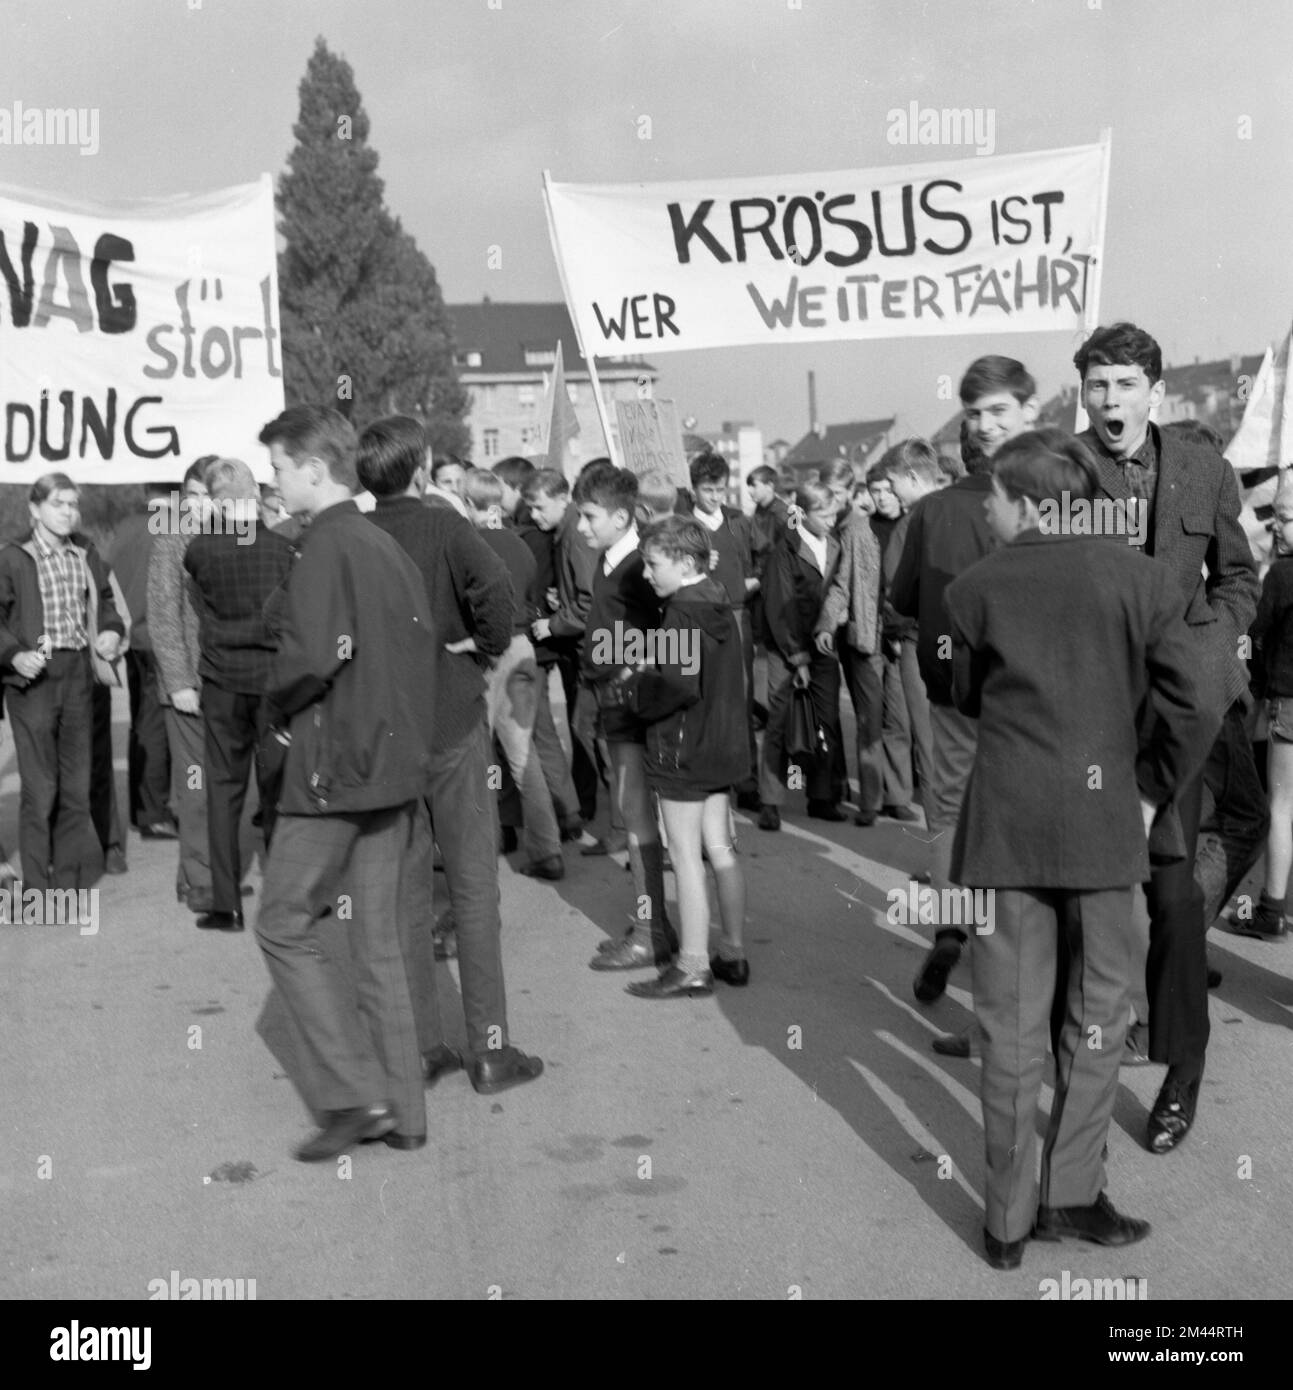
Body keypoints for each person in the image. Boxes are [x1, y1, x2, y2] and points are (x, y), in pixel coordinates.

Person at [947, 427, 1216, 1269]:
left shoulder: (971, 590)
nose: (985, 511)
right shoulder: (1143, 581)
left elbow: (955, 690)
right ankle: (1070, 1196)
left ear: (1027, 504)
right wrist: (1147, 787)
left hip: (1006, 833)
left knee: (1009, 1025)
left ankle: (1004, 1222)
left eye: (992, 496)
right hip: (1107, 831)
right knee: (1099, 1017)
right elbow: (1200, 696)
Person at [1075, 321, 1259, 1153]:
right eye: (1096, 386)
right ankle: (1081, 1053)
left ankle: (1182, 1066)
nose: (1108, 401)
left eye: (1123, 385)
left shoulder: (1202, 469)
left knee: (1176, 897)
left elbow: (1236, 577)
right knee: (1088, 893)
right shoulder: (1062, 470)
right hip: (1089, 714)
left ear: (1155, 393)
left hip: (1177, 716)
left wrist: (1209, 656)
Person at [252, 405, 442, 1160]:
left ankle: (354, 1096)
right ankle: (403, 1110)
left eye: (277, 468)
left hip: (335, 771)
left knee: (280, 921)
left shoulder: (326, 546)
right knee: (380, 944)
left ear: (312, 469)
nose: (273, 481)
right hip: (391, 767)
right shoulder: (382, 543)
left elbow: (308, 659)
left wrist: (271, 710)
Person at [360, 415, 543, 1096]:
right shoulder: (444, 525)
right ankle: (489, 1052)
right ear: (421, 467)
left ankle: (421, 1051)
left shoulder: (353, 533)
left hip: (384, 732)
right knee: (472, 888)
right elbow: (497, 591)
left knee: (405, 895)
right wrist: (485, 646)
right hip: (451, 720)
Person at [891, 356, 1037, 1005]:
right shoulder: (1046, 501)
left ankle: (954, 924)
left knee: (951, 807)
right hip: (1024, 689)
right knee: (1015, 817)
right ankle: (1007, 960)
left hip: (951, 683)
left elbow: (900, 597)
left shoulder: (929, 511)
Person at [607, 516, 751, 998]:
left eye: (653, 564)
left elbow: (675, 686)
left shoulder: (680, 614)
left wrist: (635, 689)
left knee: (686, 856)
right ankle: (731, 952)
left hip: (684, 750)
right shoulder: (718, 601)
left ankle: (692, 963)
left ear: (685, 562)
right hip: (722, 744)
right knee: (722, 850)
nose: (647, 574)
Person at [575, 462, 679, 971]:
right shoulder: (610, 559)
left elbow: (672, 632)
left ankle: (650, 932)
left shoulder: (642, 565)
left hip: (631, 702)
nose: (582, 526)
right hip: (613, 699)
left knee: (636, 813)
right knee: (633, 810)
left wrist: (626, 663)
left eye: (590, 516)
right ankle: (653, 920)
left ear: (620, 517)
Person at [0, 473, 125, 890]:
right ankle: (38, 887)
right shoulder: (13, 557)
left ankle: (68, 884)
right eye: (59, 504)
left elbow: (106, 601)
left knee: (77, 786)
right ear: (35, 510)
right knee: (41, 788)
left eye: (73, 504)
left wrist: (110, 629)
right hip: (33, 681)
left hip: (79, 676)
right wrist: (14, 654)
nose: (69, 512)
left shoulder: (86, 551)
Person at [184, 459, 294, 930]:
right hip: (273, 681)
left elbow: (201, 603)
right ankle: (291, 898)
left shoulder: (199, 551)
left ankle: (226, 904)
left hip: (223, 681)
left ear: (216, 500)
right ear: (253, 494)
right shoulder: (283, 549)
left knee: (224, 793)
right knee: (280, 793)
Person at [462, 467, 576, 878]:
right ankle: (548, 851)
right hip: (524, 648)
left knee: (475, 757)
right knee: (522, 756)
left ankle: (479, 851)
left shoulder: (468, 544)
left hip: (488, 652)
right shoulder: (522, 544)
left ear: (468, 503)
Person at [149, 457, 225, 910]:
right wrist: (178, 681)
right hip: (188, 688)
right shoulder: (171, 540)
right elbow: (162, 616)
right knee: (195, 788)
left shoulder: (238, 535)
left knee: (221, 785)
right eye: (192, 496)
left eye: (208, 496)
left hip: (227, 680)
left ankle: (201, 872)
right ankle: (201, 880)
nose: (200, 505)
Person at [758, 479, 846, 829]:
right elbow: (779, 607)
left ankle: (821, 796)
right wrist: (797, 658)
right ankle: (770, 801)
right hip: (788, 649)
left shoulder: (836, 546)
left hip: (824, 647)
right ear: (804, 513)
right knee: (781, 723)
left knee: (826, 721)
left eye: (835, 512)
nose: (831, 519)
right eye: (824, 514)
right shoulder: (786, 551)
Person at [525, 468, 606, 840]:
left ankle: (610, 813)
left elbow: (590, 600)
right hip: (585, 644)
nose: (535, 516)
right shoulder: (566, 530)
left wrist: (554, 624)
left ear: (563, 500)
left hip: (590, 646)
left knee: (589, 730)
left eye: (540, 507)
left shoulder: (575, 534)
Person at [687, 452, 760, 810]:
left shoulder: (739, 523)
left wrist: (749, 583)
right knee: (704, 697)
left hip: (736, 615)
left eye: (720, 489)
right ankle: (709, 777)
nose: (715, 497)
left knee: (741, 698)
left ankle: (748, 781)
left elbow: (762, 560)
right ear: (693, 488)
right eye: (707, 490)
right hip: (698, 618)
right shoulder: (687, 527)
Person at [813, 464, 884, 826]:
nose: (834, 498)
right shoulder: (835, 526)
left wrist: (833, 619)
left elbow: (859, 586)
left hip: (863, 633)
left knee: (868, 716)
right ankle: (848, 789)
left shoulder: (855, 528)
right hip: (847, 630)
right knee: (852, 714)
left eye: (840, 492)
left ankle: (871, 801)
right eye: (829, 491)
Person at [106, 484, 177, 842]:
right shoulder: (172, 523)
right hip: (158, 635)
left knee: (141, 722)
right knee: (157, 725)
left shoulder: (126, 525)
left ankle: (141, 809)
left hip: (131, 635)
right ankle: (153, 812)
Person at [1241, 479, 1293, 941]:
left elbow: (1256, 634)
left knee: (1282, 807)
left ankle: (1273, 908)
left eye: (1288, 517)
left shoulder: (1283, 575)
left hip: (1289, 705)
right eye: (1276, 515)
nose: (1277, 526)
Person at [868, 458, 930, 821]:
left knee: (902, 720)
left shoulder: (912, 525)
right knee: (875, 717)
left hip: (901, 633)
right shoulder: (862, 530)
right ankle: (879, 795)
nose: (882, 498)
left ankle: (900, 794)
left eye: (886, 490)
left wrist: (896, 630)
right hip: (871, 632)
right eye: (874, 491)